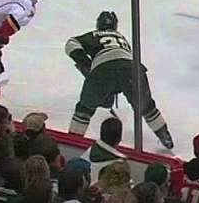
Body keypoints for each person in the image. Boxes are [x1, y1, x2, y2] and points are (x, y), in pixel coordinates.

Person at [65, 11, 175, 150]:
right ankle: (164, 135)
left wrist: (86, 63)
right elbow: (118, 69)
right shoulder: (122, 39)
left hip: (103, 71)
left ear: (98, 25)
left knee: (84, 109)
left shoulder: (95, 35)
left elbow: (71, 44)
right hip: (132, 69)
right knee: (147, 107)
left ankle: (72, 142)